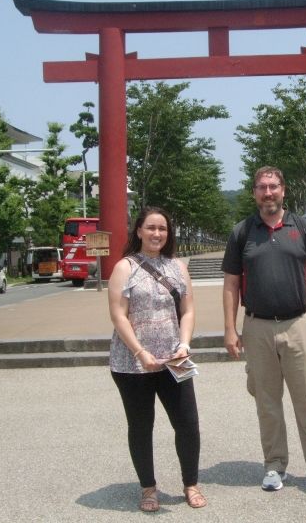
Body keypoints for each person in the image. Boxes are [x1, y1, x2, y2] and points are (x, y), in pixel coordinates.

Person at [222, 165, 306, 493]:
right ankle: (274, 465)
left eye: (273, 186)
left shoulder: (303, 228)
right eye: (262, 187)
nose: (268, 192)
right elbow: (231, 284)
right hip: (256, 327)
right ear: (254, 192)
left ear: (283, 190)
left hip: (298, 323)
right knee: (267, 402)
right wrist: (230, 329)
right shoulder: (242, 232)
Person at [107, 206, 206, 512]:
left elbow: (187, 310)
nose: (157, 234)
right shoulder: (125, 267)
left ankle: (190, 483)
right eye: (150, 228)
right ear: (138, 230)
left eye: (162, 229)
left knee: (188, 423)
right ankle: (148, 488)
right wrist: (140, 351)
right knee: (140, 425)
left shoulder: (178, 266)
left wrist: (185, 344)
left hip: (174, 359)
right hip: (131, 362)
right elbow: (117, 315)